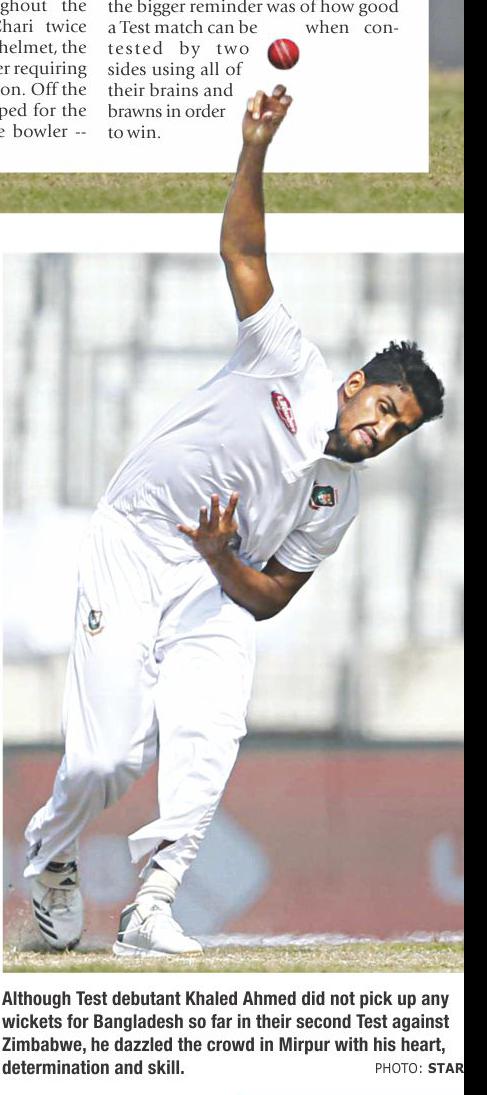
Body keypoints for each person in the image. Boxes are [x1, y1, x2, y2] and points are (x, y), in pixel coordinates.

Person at [24, 86, 445, 957]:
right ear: (355, 384)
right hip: (135, 543)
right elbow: (241, 248)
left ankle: (152, 905)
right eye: (382, 408)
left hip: (218, 584)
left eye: (397, 431)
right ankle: (52, 857)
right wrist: (255, 147)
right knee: (106, 759)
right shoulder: (287, 361)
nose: (379, 431)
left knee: (209, 733)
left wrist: (221, 558)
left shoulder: (338, 496)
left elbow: (270, 597)